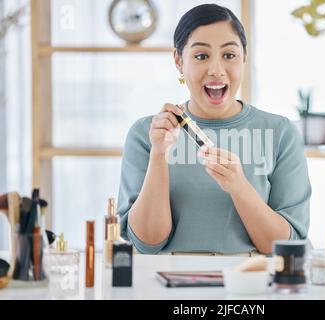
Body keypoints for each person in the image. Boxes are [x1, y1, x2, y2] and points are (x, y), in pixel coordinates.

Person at [117, 4, 312, 256]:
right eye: (201, 56)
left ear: (244, 57)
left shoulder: (280, 132)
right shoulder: (147, 134)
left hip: (250, 283)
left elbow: (284, 247)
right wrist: (158, 155)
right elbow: (148, 243)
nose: (217, 71)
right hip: (166, 282)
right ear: (178, 61)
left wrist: (239, 187)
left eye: (229, 55)